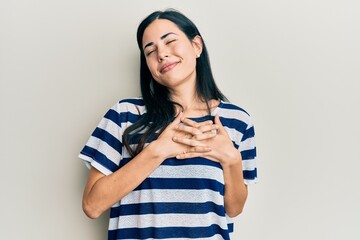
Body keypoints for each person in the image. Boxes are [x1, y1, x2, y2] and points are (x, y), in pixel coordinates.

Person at [79, 9, 257, 240]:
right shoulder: (124, 115)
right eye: (151, 51)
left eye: (170, 41)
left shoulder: (236, 120)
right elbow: (92, 205)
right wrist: (157, 151)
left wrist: (231, 159)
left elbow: (234, 209)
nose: (161, 54)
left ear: (196, 46)